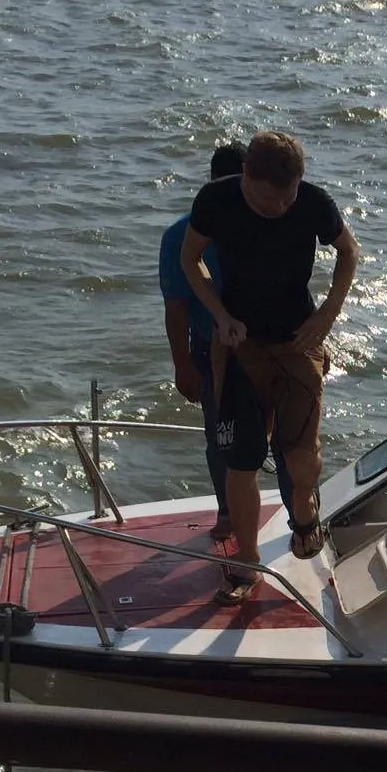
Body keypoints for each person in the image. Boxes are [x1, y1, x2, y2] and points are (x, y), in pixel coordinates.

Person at [180, 130, 358, 600]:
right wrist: (220, 315)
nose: (277, 207)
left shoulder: (315, 203)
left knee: (300, 459)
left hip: (298, 340)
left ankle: (305, 510)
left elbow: (348, 252)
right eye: (265, 199)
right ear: (245, 177)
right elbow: (190, 260)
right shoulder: (216, 201)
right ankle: (247, 563)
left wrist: (328, 313)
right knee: (241, 462)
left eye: (286, 197)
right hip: (239, 344)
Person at [158, 143, 291, 542]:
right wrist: (183, 365)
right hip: (211, 350)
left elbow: (294, 284)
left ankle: (298, 514)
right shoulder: (180, 236)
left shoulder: (273, 221)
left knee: (289, 437)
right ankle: (229, 512)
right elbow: (176, 307)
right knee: (222, 439)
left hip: (274, 346)